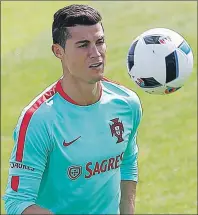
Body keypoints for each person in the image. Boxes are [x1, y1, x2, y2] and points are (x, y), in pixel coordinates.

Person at [3, 4, 142, 215]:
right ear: (58, 51)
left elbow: (128, 165)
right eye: (83, 45)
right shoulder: (39, 119)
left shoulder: (127, 103)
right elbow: (17, 202)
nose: (96, 54)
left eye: (100, 42)